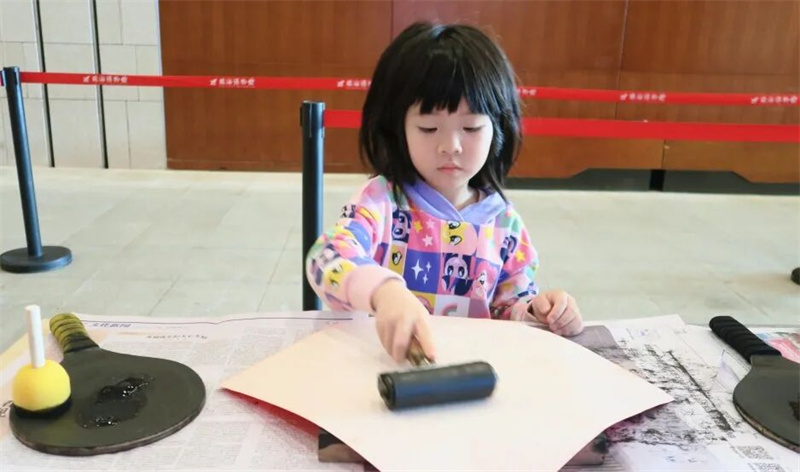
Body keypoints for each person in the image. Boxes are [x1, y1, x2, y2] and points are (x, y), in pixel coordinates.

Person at [305, 21, 584, 363]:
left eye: (470, 127)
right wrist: (384, 292)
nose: (450, 146)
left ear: (498, 128)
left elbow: (509, 306)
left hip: (466, 375)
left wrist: (539, 311)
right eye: (428, 127)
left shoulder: (504, 222)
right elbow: (326, 257)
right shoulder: (381, 202)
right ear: (398, 128)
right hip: (383, 368)